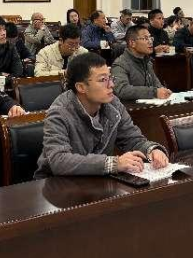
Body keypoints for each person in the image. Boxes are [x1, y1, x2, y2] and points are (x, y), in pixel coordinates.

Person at [34, 52, 168, 178]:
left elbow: (132, 139)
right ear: (81, 87)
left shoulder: (113, 104)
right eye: (103, 80)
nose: (111, 85)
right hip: (58, 184)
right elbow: (59, 161)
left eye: (110, 78)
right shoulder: (59, 112)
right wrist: (112, 163)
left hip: (96, 180)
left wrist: (151, 150)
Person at [111, 26, 172, 101]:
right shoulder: (120, 64)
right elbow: (121, 90)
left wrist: (164, 91)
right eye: (145, 38)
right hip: (130, 107)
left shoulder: (147, 62)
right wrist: (154, 92)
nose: (150, 42)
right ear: (132, 43)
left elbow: (157, 85)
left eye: (150, 38)